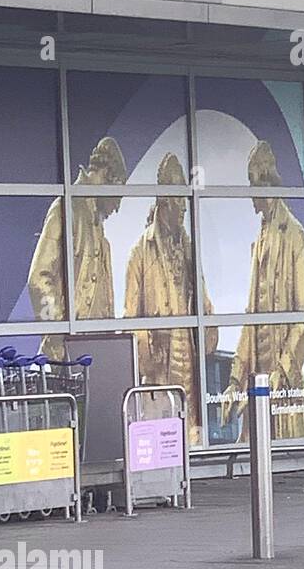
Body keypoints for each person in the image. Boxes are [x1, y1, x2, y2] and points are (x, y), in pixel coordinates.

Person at [123, 151, 218, 446]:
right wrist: (149, 362)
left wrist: (209, 329)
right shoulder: (140, 252)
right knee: (160, 444)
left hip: (189, 365)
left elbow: (204, 301)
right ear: (164, 199)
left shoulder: (190, 249)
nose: (183, 209)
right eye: (178, 200)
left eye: (184, 202)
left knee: (190, 437)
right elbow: (131, 320)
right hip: (159, 369)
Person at [221, 140, 304, 442]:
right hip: (258, 383)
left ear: (264, 181)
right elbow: (252, 318)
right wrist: (235, 378)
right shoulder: (259, 239)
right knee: (251, 458)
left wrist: (282, 372)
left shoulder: (295, 236)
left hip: (283, 386)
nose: (250, 194)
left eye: (251, 184)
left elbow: (303, 317)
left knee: (288, 459)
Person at [28, 135, 128, 357]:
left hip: (97, 353)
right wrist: (57, 335)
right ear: (108, 177)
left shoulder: (98, 229)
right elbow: (38, 279)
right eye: (118, 197)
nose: (116, 208)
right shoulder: (67, 208)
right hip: (68, 355)